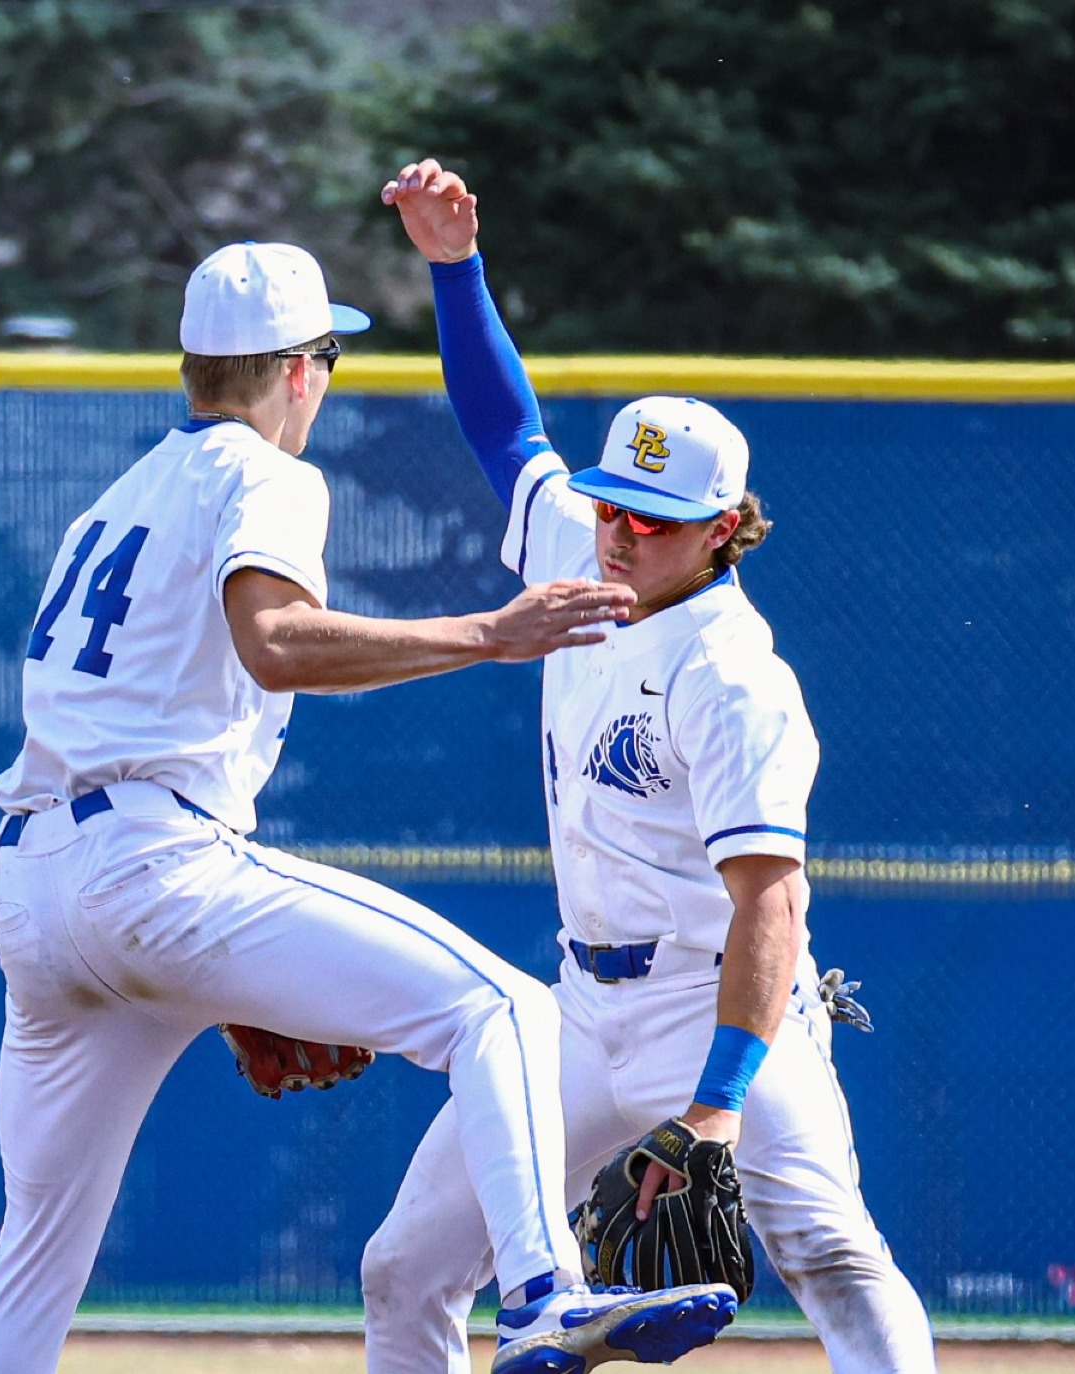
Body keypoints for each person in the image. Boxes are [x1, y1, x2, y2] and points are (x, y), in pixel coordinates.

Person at [0, 240, 738, 1374]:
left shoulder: (110, 506)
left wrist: (224, 980)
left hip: (36, 894)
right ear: (298, 369)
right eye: (329, 356)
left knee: (32, 1263)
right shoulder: (265, 474)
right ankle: (544, 1297)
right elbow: (273, 645)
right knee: (508, 1015)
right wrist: (489, 633)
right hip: (153, 865)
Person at [364, 161, 939, 1374]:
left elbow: (769, 906)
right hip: (580, 1007)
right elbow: (501, 427)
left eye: (655, 519)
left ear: (726, 529)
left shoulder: (734, 676)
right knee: (406, 1268)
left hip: (712, 1007)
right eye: (613, 503)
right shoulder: (584, 552)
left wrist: (721, 1100)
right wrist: (454, 267)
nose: (620, 532)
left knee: (831, 1253)